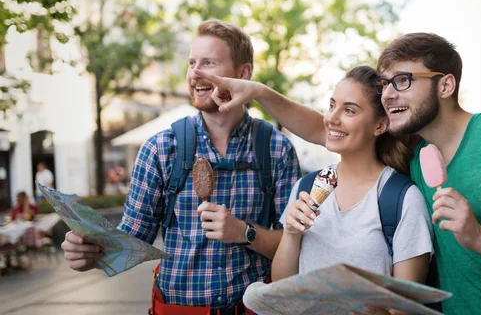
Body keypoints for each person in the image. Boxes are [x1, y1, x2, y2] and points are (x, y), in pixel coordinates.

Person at [196, 32, 481, 315]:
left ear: (445, 86)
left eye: (403, 81)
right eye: (387, 83)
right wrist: (259, 92)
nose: (389, 92)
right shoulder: (416, 153)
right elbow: (329, 129)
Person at [61, 19, 302, 313]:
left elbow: (293, 246)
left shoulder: (276, 149)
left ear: (243, 73)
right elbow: (133, 241)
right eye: (191, 63)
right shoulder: (161, 148)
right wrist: (91, 252)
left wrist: (243, 232)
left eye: (209, 63)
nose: (195, 74)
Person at [270, 66, 433, 297]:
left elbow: (405, 306)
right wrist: (291, 232)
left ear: (380, 125)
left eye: (349, 110)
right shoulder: (306, 187)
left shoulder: (403, 199)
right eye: (331, 106)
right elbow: (282, 285)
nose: (331, 118)